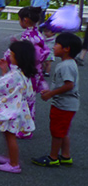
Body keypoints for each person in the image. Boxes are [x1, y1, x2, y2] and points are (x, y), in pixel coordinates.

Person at [0, 40, 36, 174]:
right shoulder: (22, 73)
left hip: (12, 111)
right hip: (16, 109)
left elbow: (0, 86)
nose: (9, 56)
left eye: (11, 54)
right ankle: (10, 157)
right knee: (7, 134)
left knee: (10, 136)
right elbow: (16, 88)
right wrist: (4, 70)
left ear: (18, 56)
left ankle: (14, 164)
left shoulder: (15, 75)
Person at [32, 32, 81, 167]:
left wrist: (50, 94)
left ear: (66, 48)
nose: (53, 47)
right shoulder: (68, 63)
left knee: (57, 131)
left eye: (57, 44)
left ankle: (53, 158)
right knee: (63, 130)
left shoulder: (66, 66)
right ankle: (65, 156)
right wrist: (50, 91)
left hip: (64, 105)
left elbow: (69, 85)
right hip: (67, 104)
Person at [8, 6, 48, 139]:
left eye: (19, 19)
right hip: (35, 71)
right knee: (30, 100)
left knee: (22, 100)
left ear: (25, 20)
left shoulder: (27, 36)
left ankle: (25, 129)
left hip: (26, 72)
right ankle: (26, 127)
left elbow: (23, 55)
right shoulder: (38, 34)